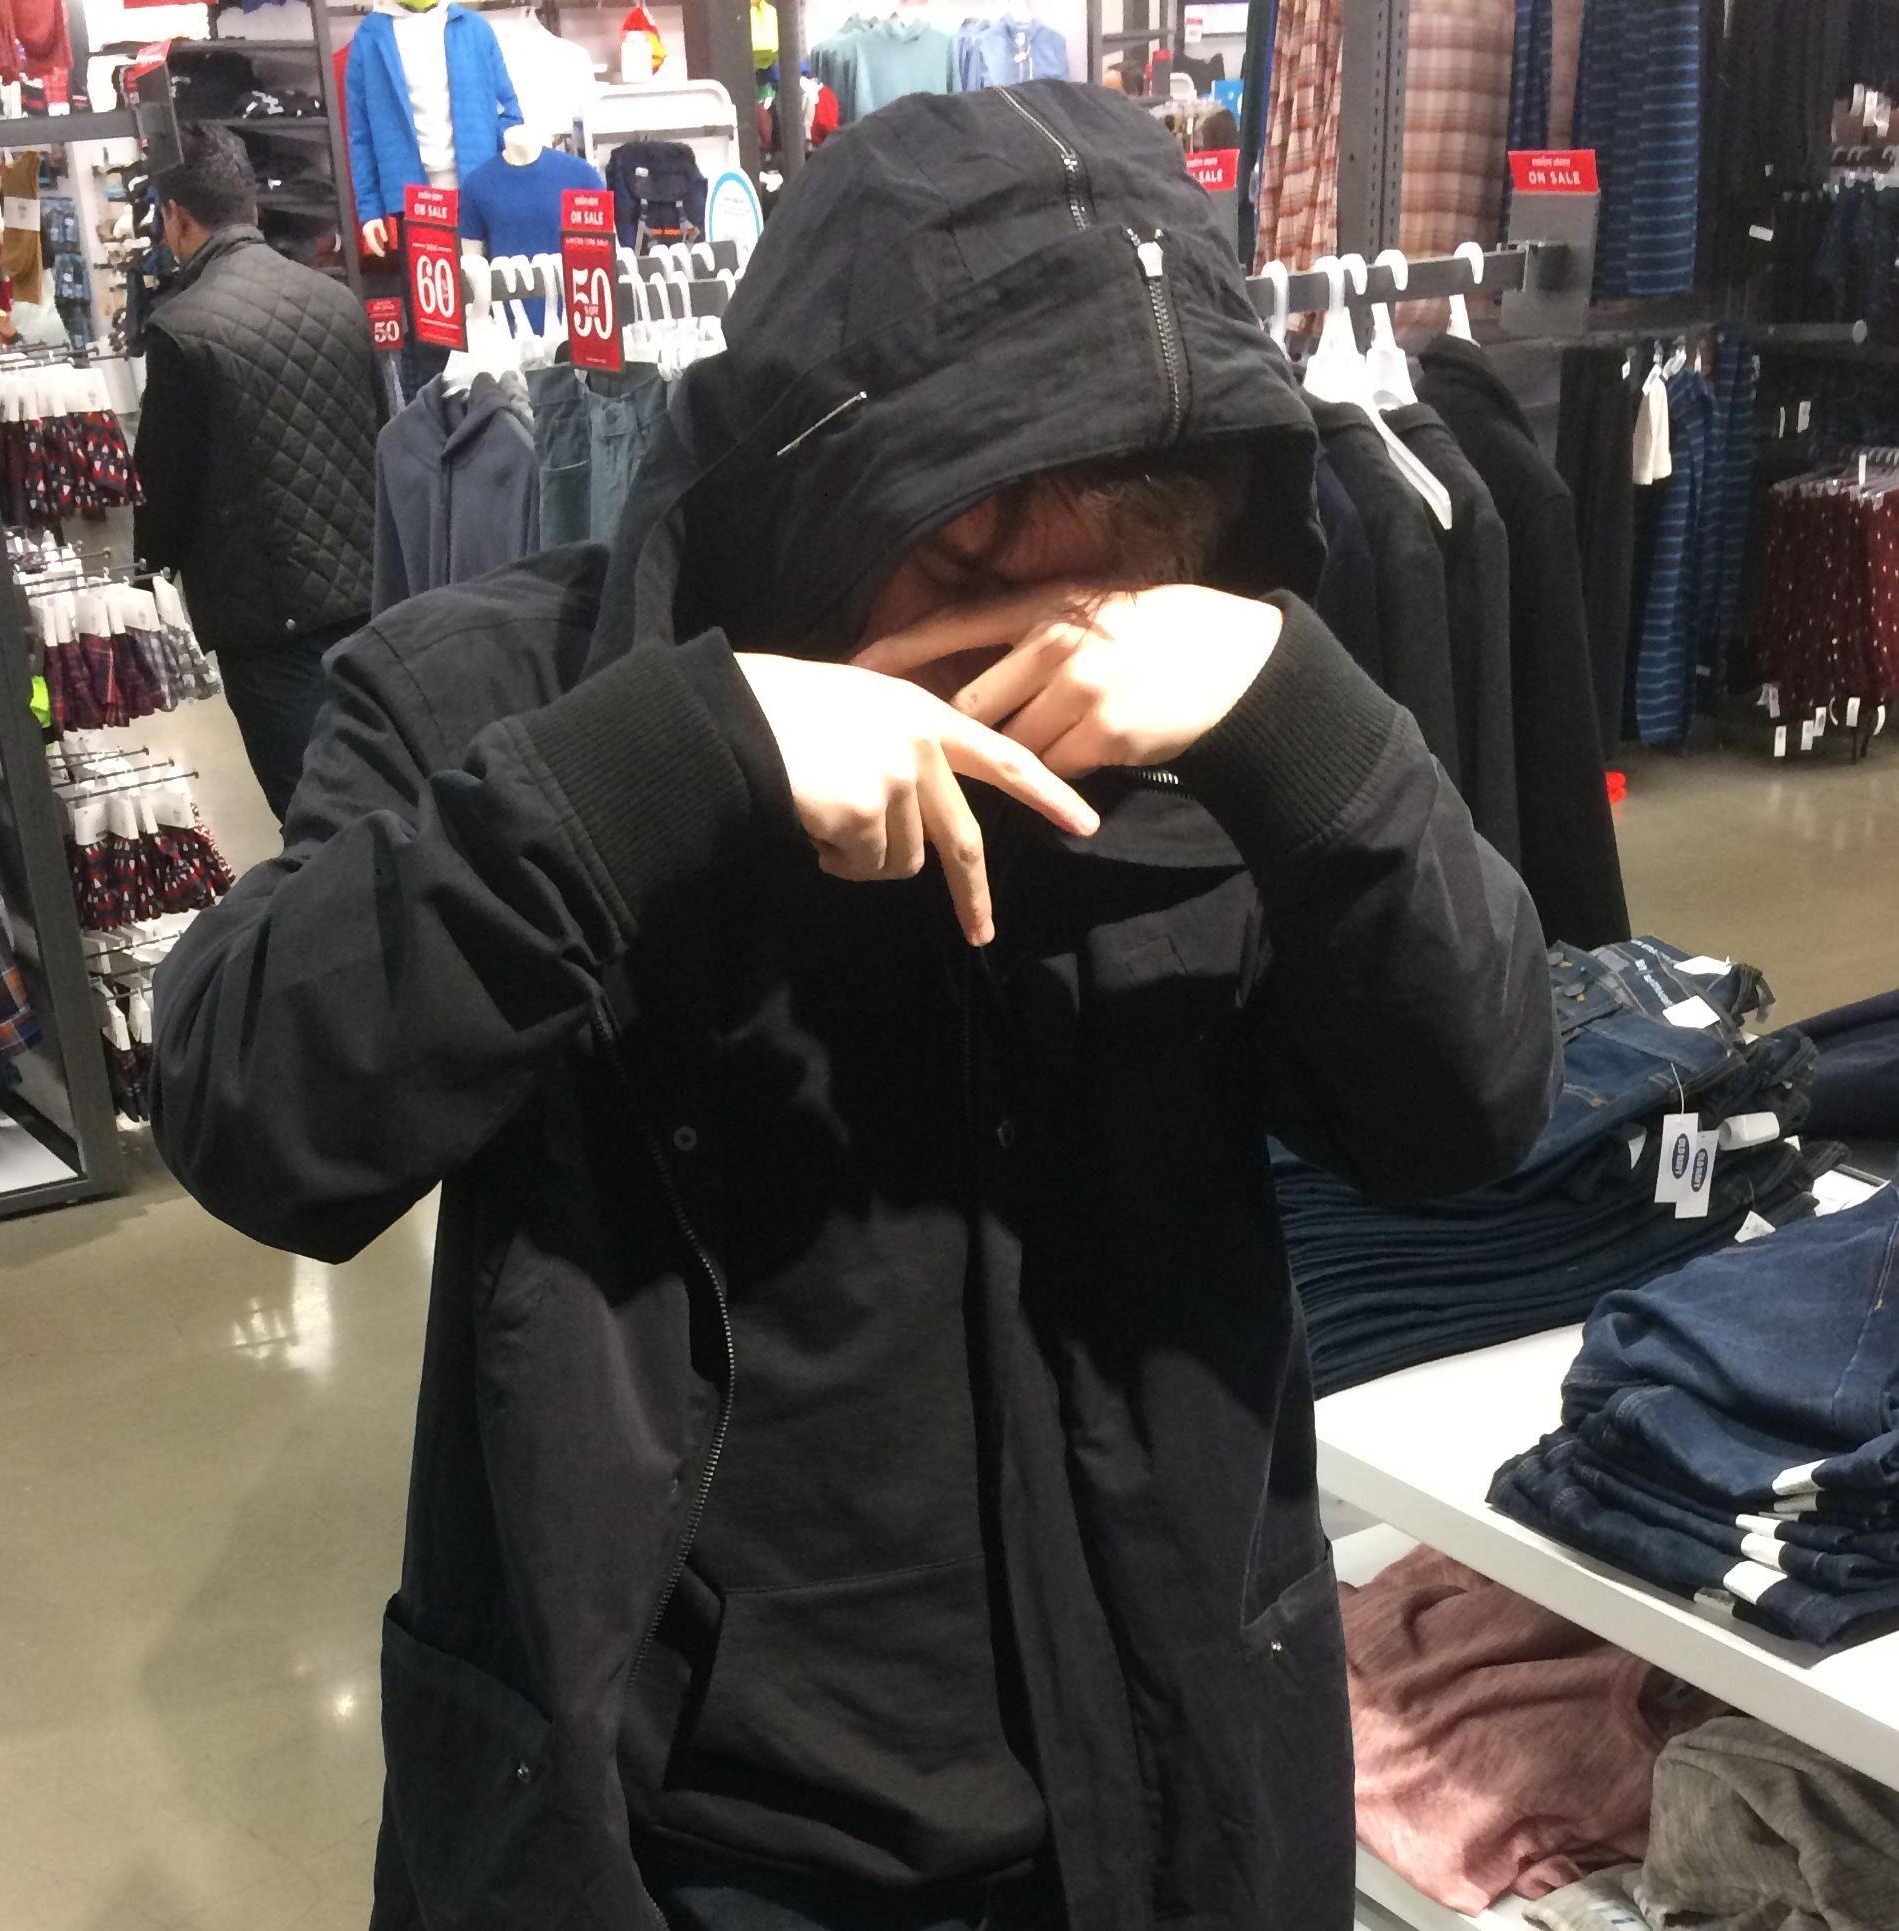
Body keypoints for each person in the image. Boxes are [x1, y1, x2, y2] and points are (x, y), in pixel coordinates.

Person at [152, 82, 1559, 1931]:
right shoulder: (498, 690)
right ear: (809, 485)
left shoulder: (1209, 697)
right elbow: (252, 1105)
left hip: (1157, 1791)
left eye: (1120, 567)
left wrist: (1298, 721)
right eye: (969, 563)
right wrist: (674, 763)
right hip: (675, 1843)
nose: (1042, 637)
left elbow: (1472, 1104)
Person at [134, 122, 382, 824]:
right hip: (368, 596)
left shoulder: (183, 329)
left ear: (177, 217)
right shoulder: (338, 301)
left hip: (265, 620)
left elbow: (163, 490)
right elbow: (385, 435)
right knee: (384, 791)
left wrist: (145, 571)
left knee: (311, 816)